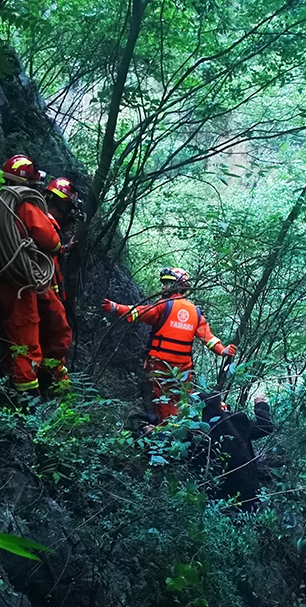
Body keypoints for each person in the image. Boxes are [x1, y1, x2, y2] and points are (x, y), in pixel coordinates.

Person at [0, 155, 71, 398]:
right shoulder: (26, 207)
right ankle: (26, 401)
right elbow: (51, 242)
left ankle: (6, 378)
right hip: (17, 288)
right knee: (26, 344)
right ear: (28, 183)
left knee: (3, 337)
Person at [101, 267, 236, 422]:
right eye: (164, 283)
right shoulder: (194, 311)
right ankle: (183, 429)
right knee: (183, 399)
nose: (164, 286)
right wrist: (223, 350)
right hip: (181, 370)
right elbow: (209, 338)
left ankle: (167, 432)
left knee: (164, 399)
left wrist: (116, 307)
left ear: (179, 285)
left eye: (168, 283)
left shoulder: (165, 305)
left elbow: (140, 312)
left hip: (162, 366)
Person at [194, 391, 274, 511]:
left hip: (213, 494)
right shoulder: (235, 420)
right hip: (245, 488)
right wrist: (260, 404)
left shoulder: (193, 432)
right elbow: (265, 427)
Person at [44, 177, 81, 305]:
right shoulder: (45, 226)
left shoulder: (40, 223)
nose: (70, 214)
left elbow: (48, 250)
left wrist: (65, 247)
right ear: (62, 205)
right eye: (69, 208)